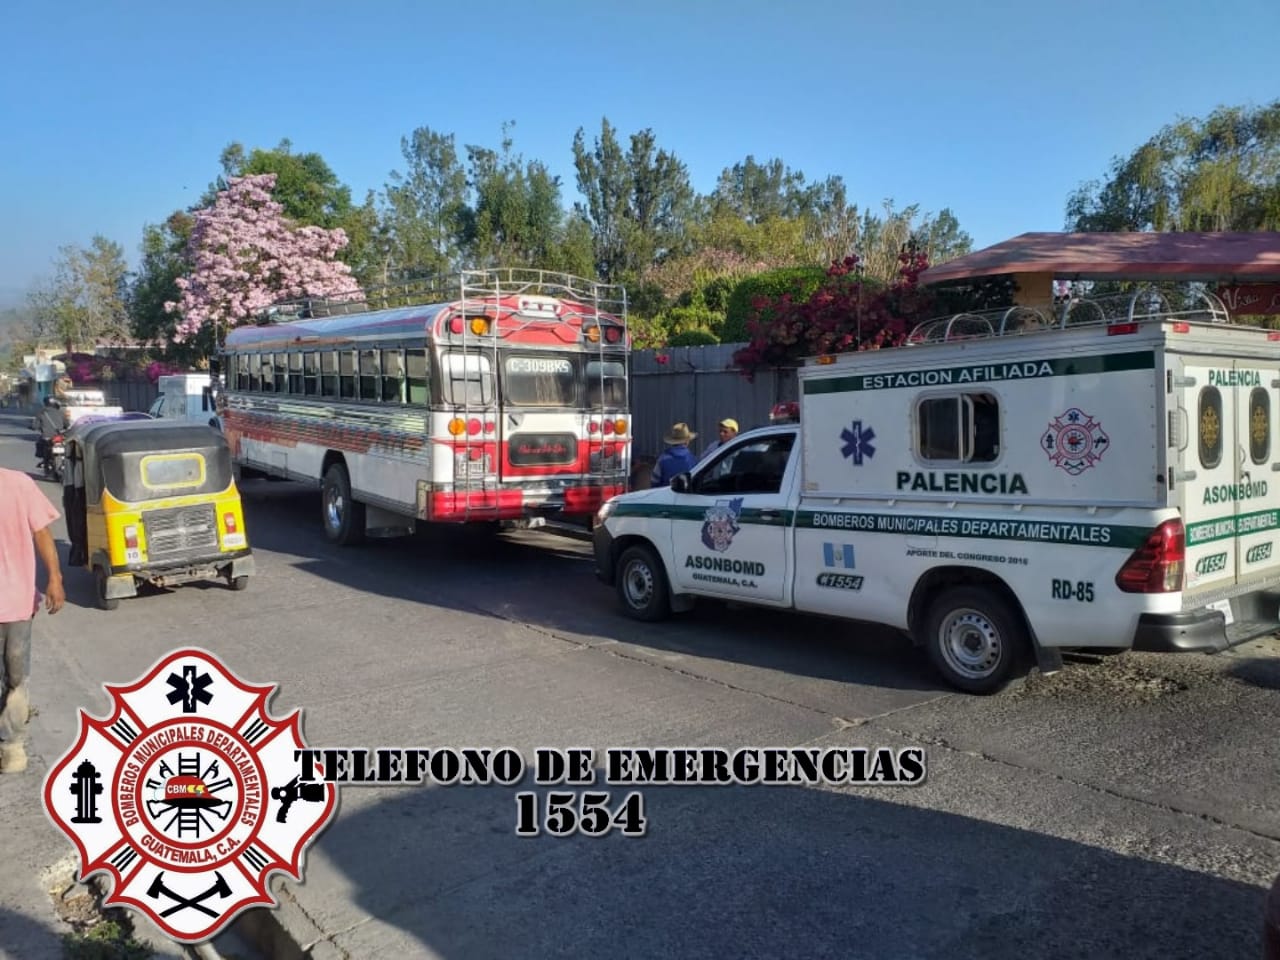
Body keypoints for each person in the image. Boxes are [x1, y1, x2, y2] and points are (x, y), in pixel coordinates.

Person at [0, 467, 65, 774]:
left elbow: (42, 531)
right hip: (16, 601)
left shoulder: (18, 484)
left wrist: (55, 578)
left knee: (15, 677)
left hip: (15, 601)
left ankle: (12, 747)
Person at [651, 422, 698, 487]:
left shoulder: (662, 459)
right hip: (686, 496)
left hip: (664, 495)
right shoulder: (693, 460)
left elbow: (654, 482)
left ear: (672, 442)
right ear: (687, 441)